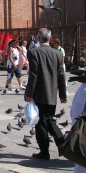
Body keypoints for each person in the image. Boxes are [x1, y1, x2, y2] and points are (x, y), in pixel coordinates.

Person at [24, 28, 67, 160]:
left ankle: (45, 151)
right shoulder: (58, 54)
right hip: (52, 93)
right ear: (50, 38)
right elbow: (61, 75)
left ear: (38, 38)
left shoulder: (33, 52)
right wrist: (63, 94)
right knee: (49, 119)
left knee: (41, 123)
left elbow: (34, 74)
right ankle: (62, 143)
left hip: (39, 93)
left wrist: (29, 93)